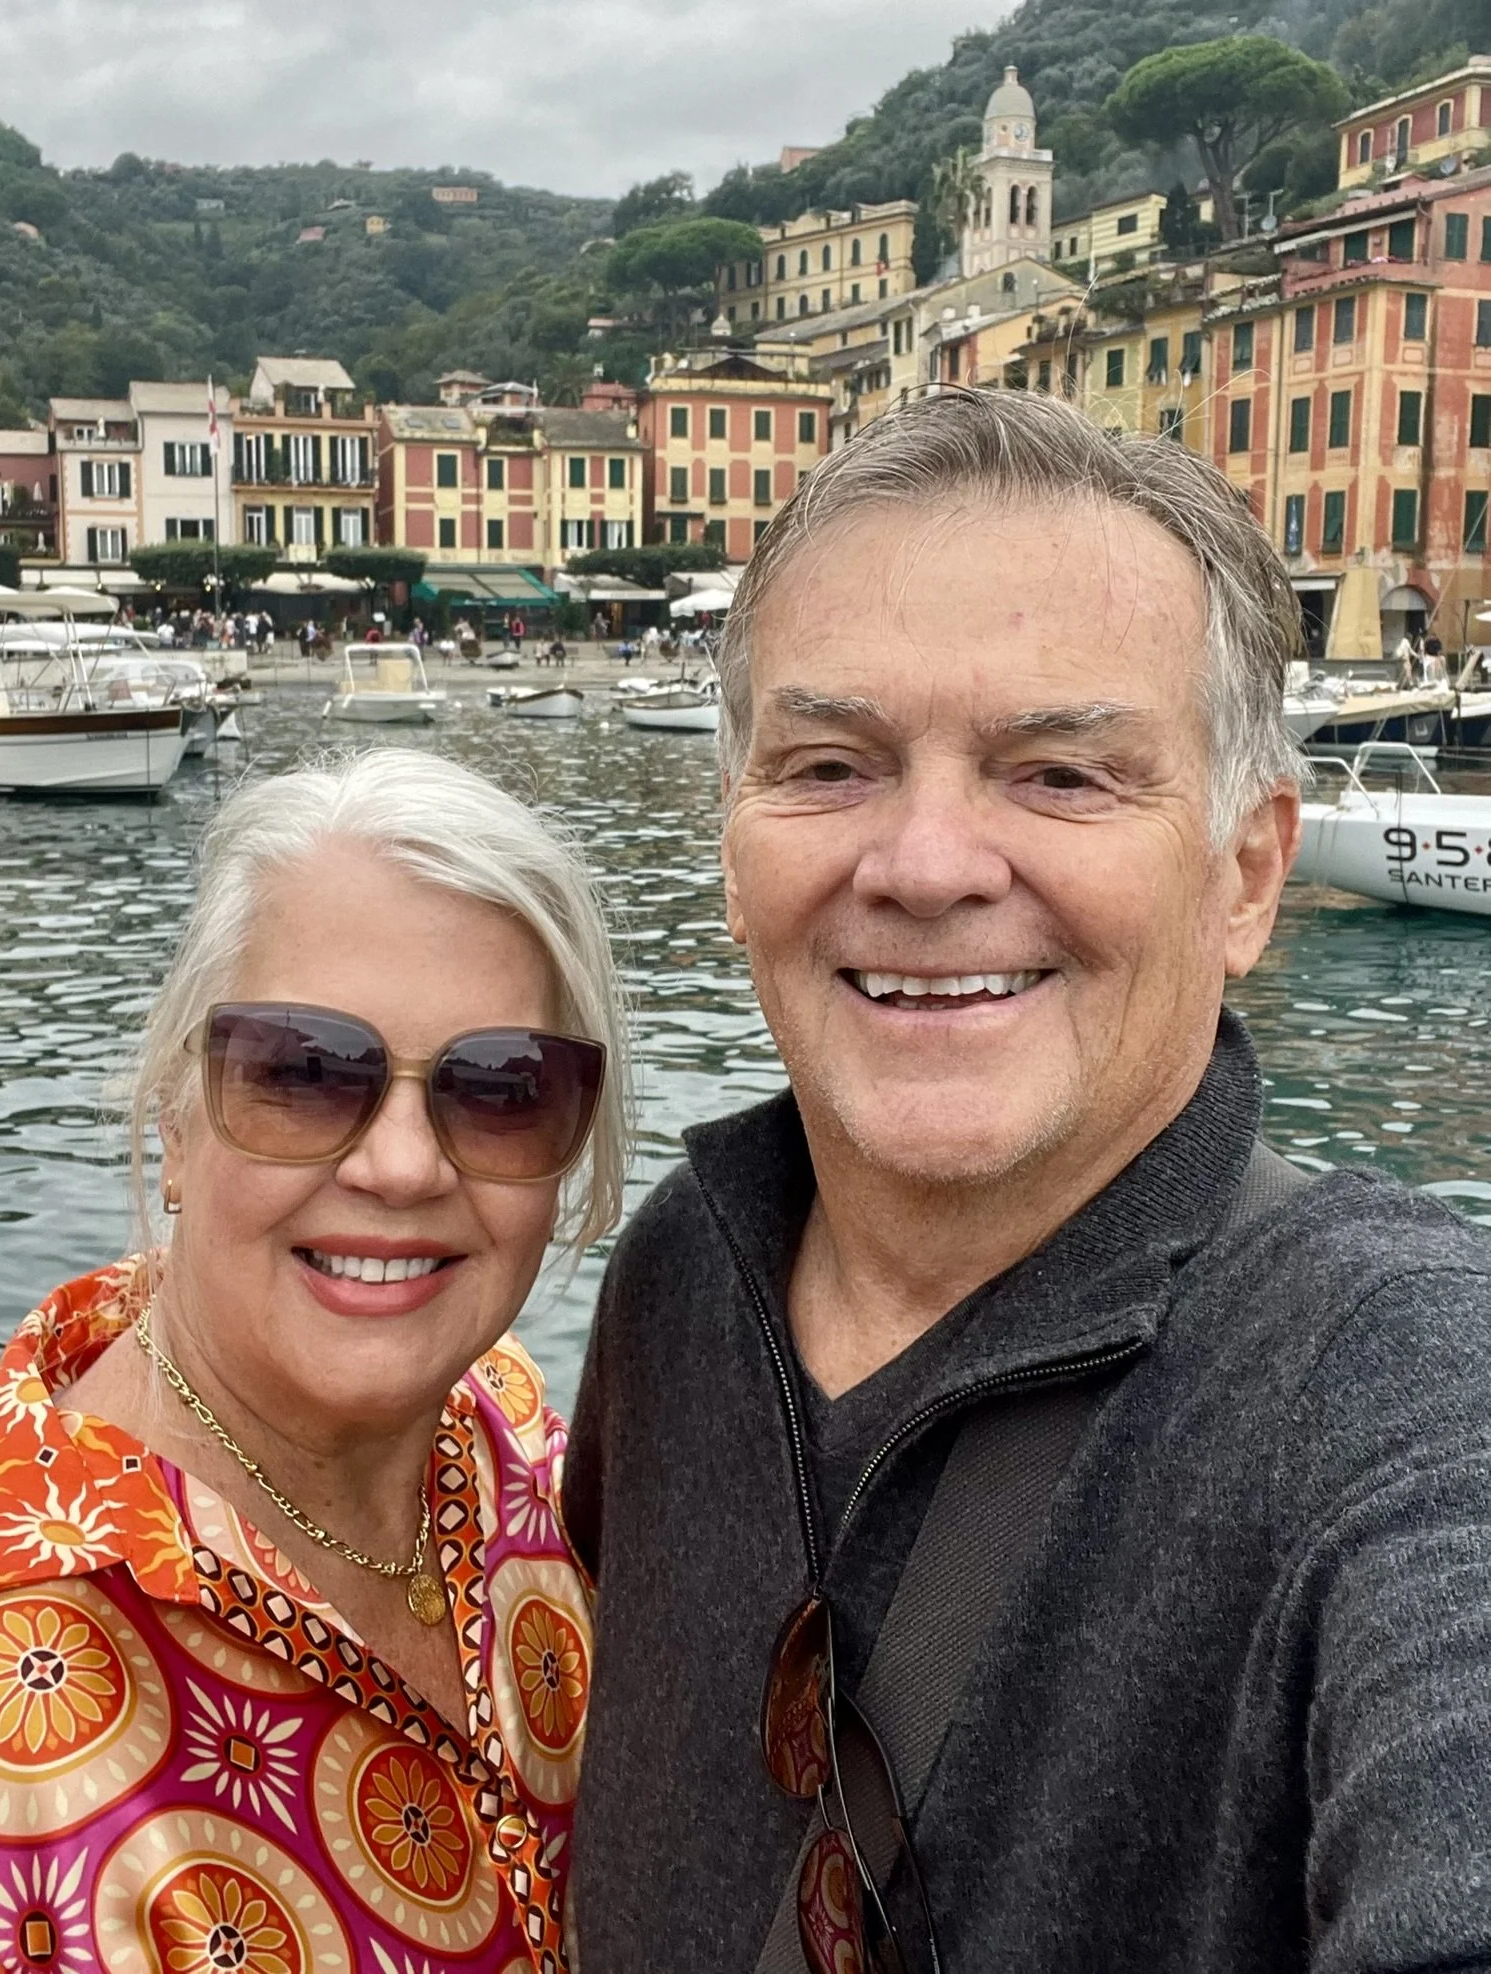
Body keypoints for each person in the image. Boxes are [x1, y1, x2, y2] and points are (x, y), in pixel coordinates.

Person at [563, 389, 1491, 1972]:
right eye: (830, 764)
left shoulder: (1402, 1382)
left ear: (1247, 874)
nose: (926, 865)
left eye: (1060, 773)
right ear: (732, 850)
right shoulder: (682, 1272)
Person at [0, 749, 626, 1973]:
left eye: (503, 1087)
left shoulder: (523, 1457)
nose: (402, 1165)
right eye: (302, 1072)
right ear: (176, 1122)